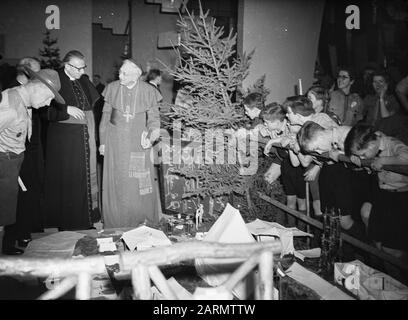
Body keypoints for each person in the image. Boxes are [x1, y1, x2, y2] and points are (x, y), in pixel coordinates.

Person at [0, 68, 64, 255]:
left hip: (14, 160)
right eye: (48, 97)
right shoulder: (10, 108)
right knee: (2, 215)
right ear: (36, 87)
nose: (48, 103)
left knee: (9, 212)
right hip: (5, 162)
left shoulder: (21, 99)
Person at [99, 59, 162, 228]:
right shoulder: (112, 88)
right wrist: (103, 142)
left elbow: (154, 120)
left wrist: (151, 138)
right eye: (120, 72)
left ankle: (140, 220)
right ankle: (116, 221)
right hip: (115, 143)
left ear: (136, 75)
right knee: (117, 181)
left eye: (124, 73)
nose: (120, 75)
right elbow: (105, 117)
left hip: (138, 143)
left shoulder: (148, 91)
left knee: (138, 182)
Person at [43, 50, 101, 231]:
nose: (82, 72)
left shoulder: (83, 80)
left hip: (85, 137)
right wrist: (66, 109)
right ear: (67, 66)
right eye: (78, 68)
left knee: (86, 177)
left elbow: (93, 106)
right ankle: (69, 221)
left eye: (83, 67)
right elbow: (44, 110)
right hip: (65, 142)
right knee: (69, 179)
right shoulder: (55, 80)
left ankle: (87, 218)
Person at [344, 124, 408, 260]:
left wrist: (384, 160)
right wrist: (361, 162)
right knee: (377, 241)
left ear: (372, 144)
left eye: (362, 154)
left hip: (400, 197)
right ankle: (383, 271)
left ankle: (399, 277)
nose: (362, 157)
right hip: (382, 194)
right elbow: (371, 165)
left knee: (391, 249)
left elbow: (406, 157)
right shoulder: (373, 148)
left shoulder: (392, 143)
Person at [2, 57, 46, 251]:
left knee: (14, 204)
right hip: (7, 158)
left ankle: (12, 242)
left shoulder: (26, 97)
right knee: (7, 207)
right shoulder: (11, 103)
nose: (47, 103)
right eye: (47, 97)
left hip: (20, 154)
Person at [363, 71, 408, 145]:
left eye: (380, 81)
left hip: (385, 135)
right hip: (368, 133)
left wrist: (381, 98)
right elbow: (360, 115)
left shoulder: (392, 99)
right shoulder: (368, 98)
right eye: (374, 82)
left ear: (386, 84)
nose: (377, 85)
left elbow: (385, 116)